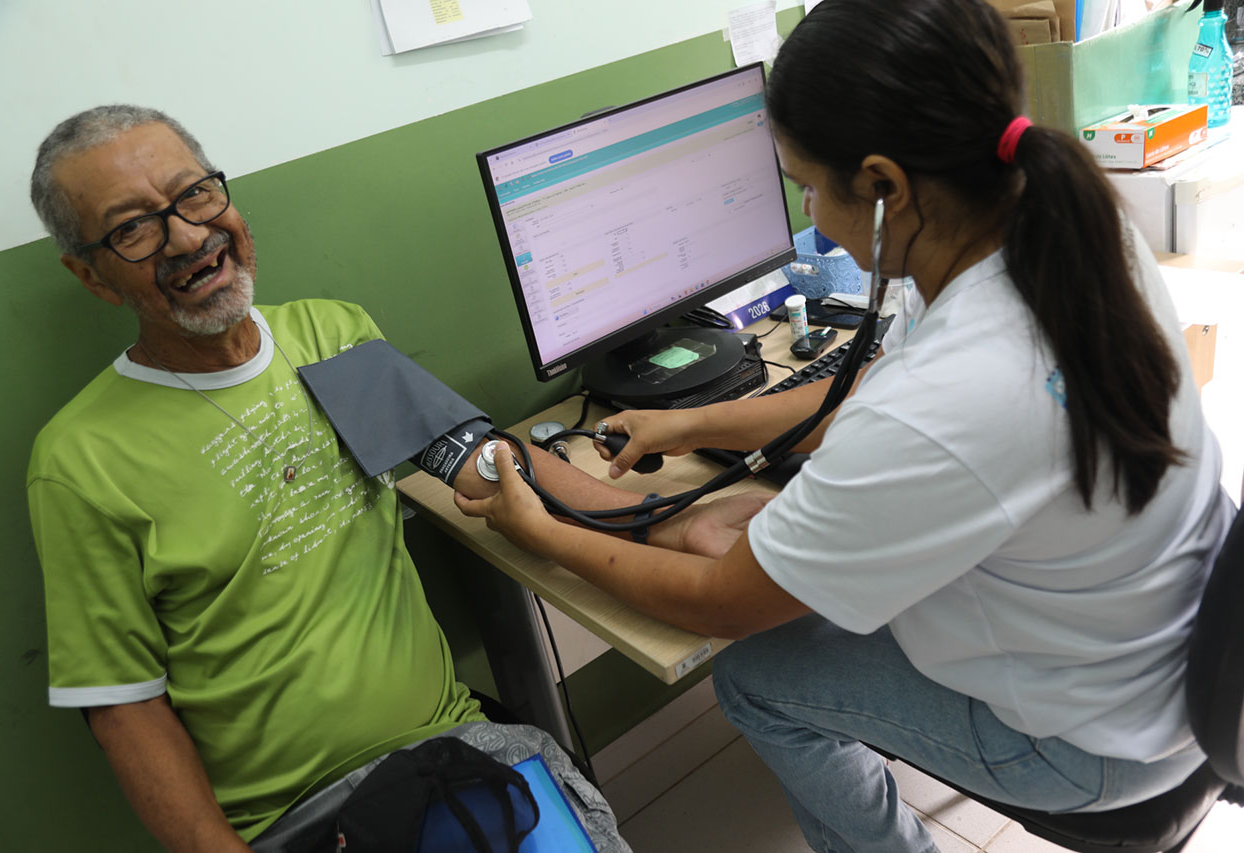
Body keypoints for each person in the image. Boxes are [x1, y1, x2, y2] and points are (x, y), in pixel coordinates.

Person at [454, 1, 1239, 850]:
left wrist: (540, 532)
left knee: (755, 671)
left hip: (1099, 747)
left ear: (883, 186)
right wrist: (692, 424)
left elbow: (724, 605)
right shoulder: (1066, 230)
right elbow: (876, 384)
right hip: (1173, 650)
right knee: (731, 528)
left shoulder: (954, 399)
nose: (809, 215)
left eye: (805, 186)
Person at [26, 104, 764, 852]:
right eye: (133, 228)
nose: (187, 236)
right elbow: (125, 705)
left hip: (448, 748)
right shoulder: (81, 458)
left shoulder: (330, 336)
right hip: (293, 821)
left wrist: (663, 522)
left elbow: (489, 460)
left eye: (194, 193)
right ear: (89, 274)